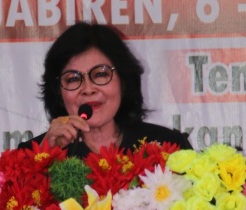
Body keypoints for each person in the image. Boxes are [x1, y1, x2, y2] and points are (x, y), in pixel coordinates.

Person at [19, 21, 192, 158]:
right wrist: (43, 157)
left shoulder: (168, 146)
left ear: (123, 82)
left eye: (101, 74)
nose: (88, 89)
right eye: (73, 79)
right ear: (58, 92)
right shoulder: (32, 154)